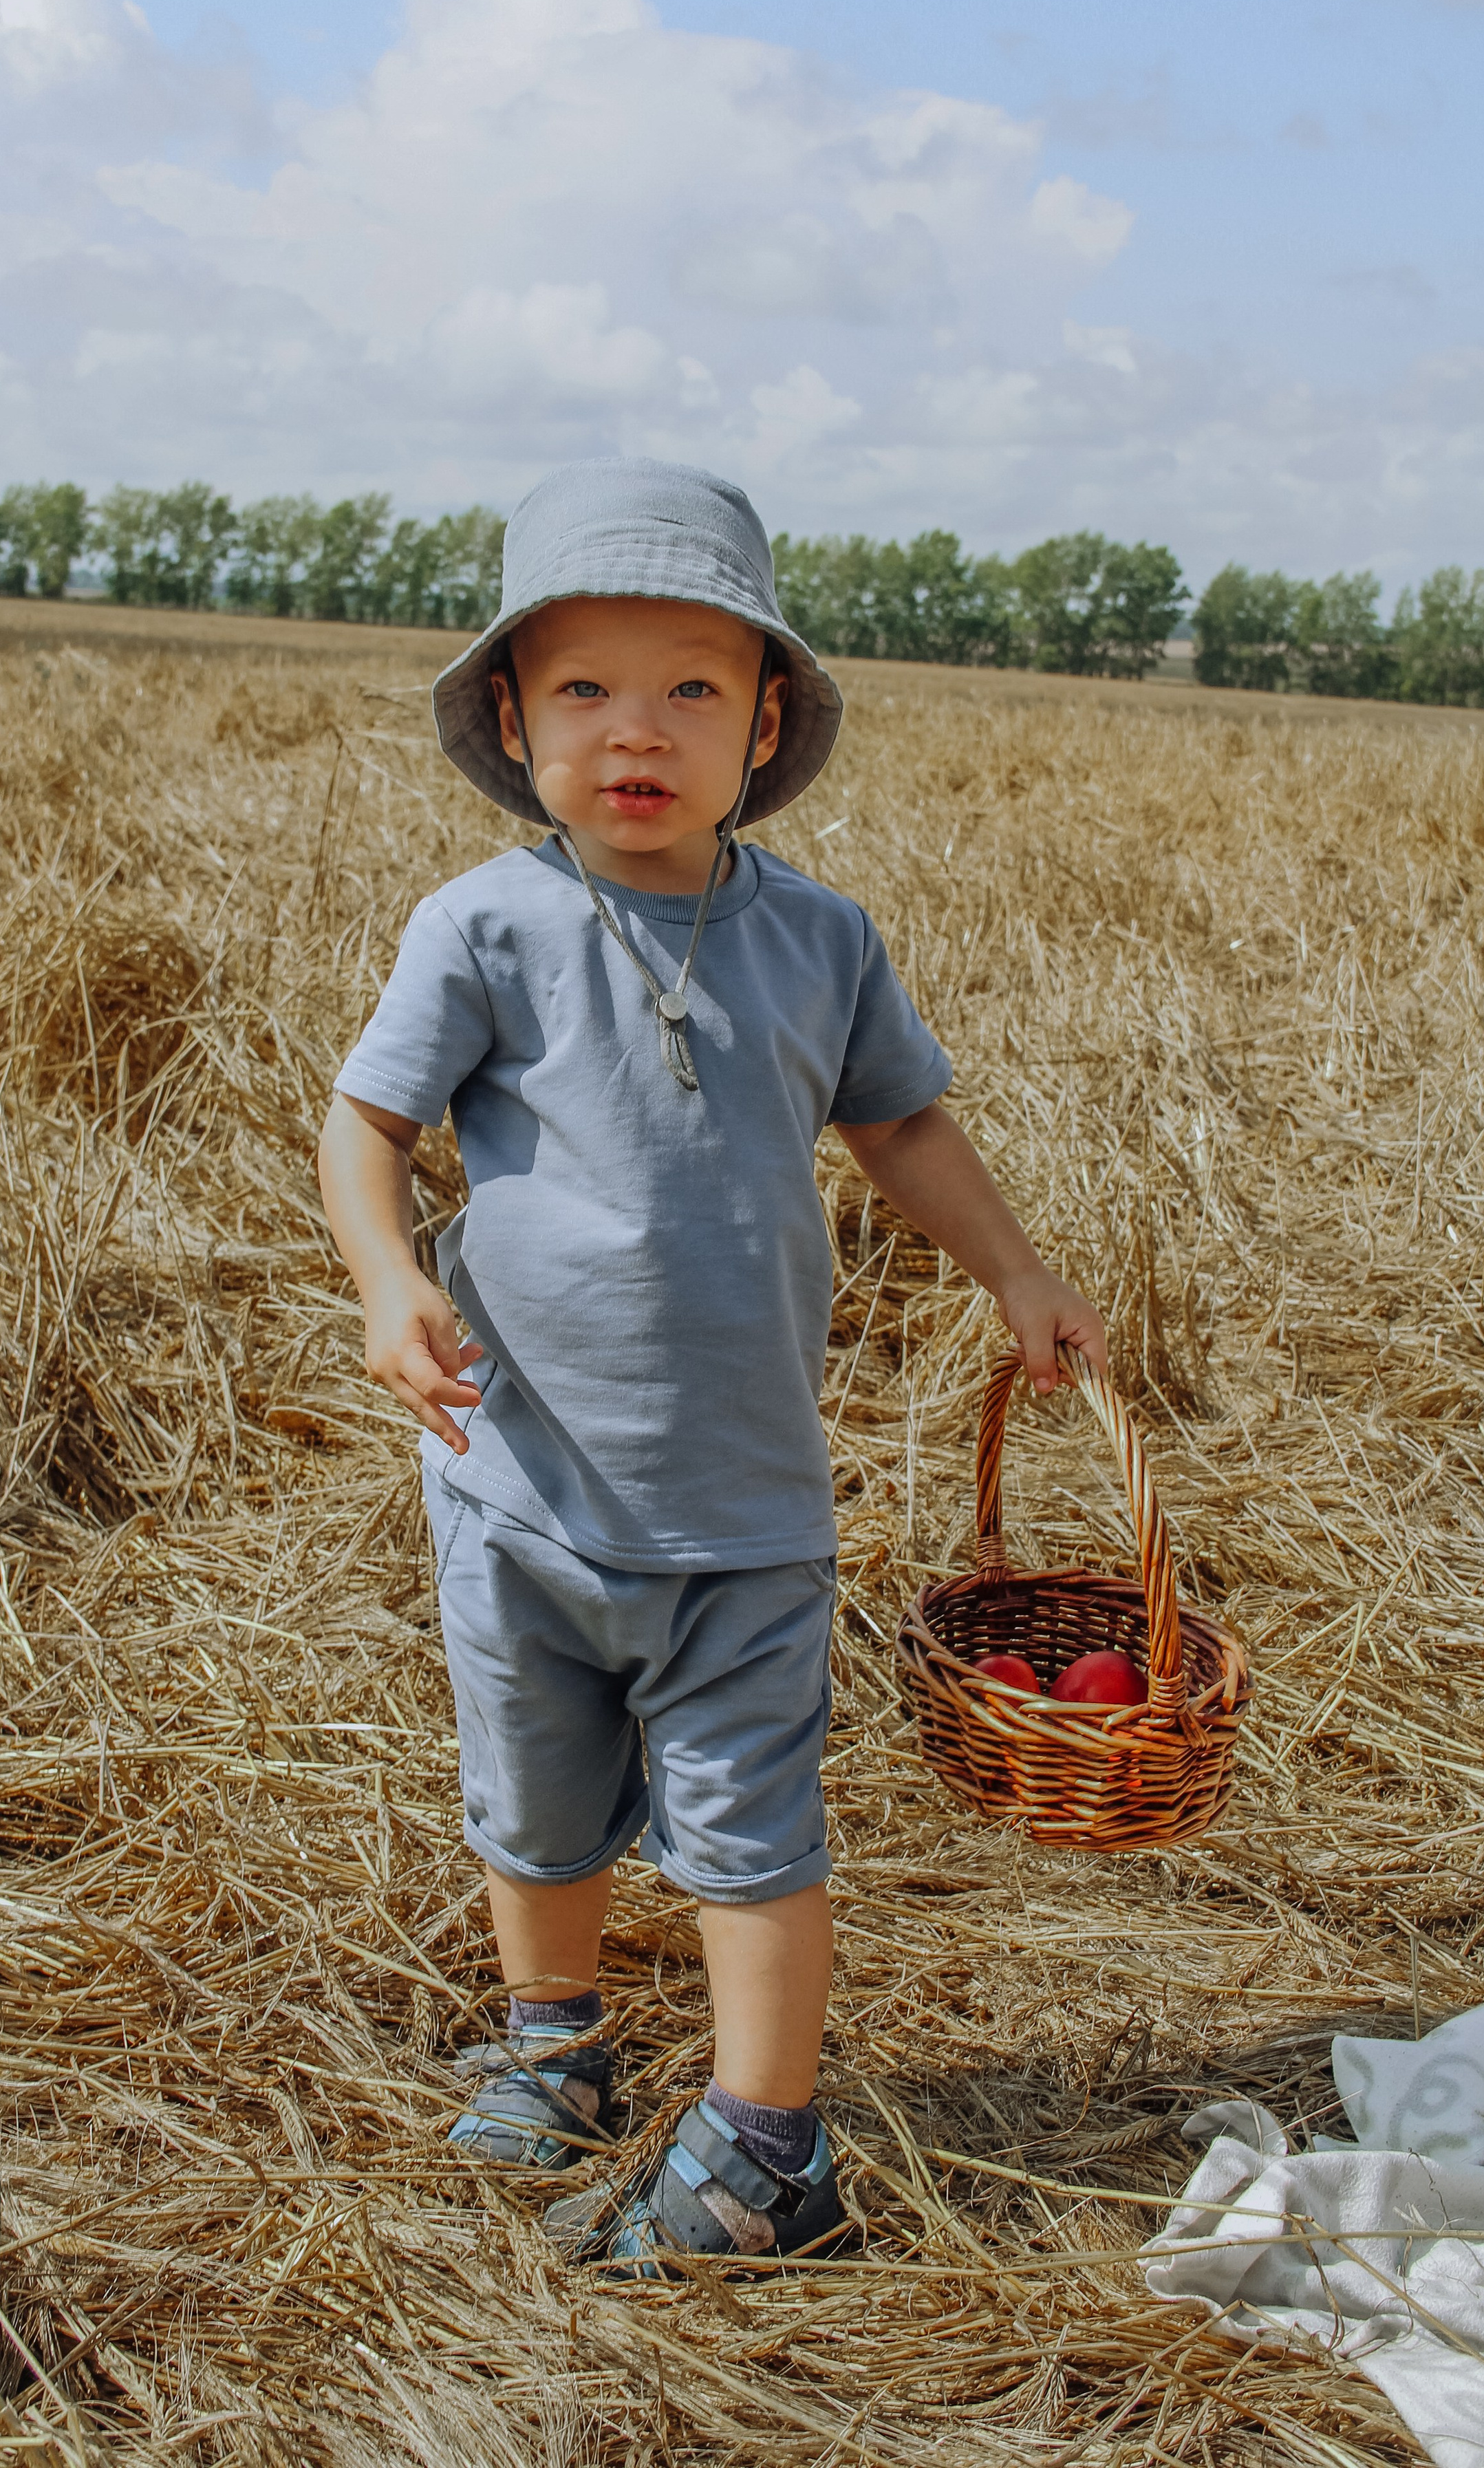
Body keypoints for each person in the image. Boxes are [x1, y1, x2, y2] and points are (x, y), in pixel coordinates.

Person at [317, 458, 1106, 2268]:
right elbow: (365, 1129)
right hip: (520, 1487)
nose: (636, 731)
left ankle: (767, 2147)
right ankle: (556, 2050)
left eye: (692, 686)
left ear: (768, 724)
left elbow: (902, 1128)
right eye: (585, 689)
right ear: (515, 722)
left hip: (745, 1505)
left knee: (753, 1831)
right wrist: (383, 1283)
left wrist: (1023, 1277)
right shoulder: (487, 928)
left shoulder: (817, 939)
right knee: (533, 1795)